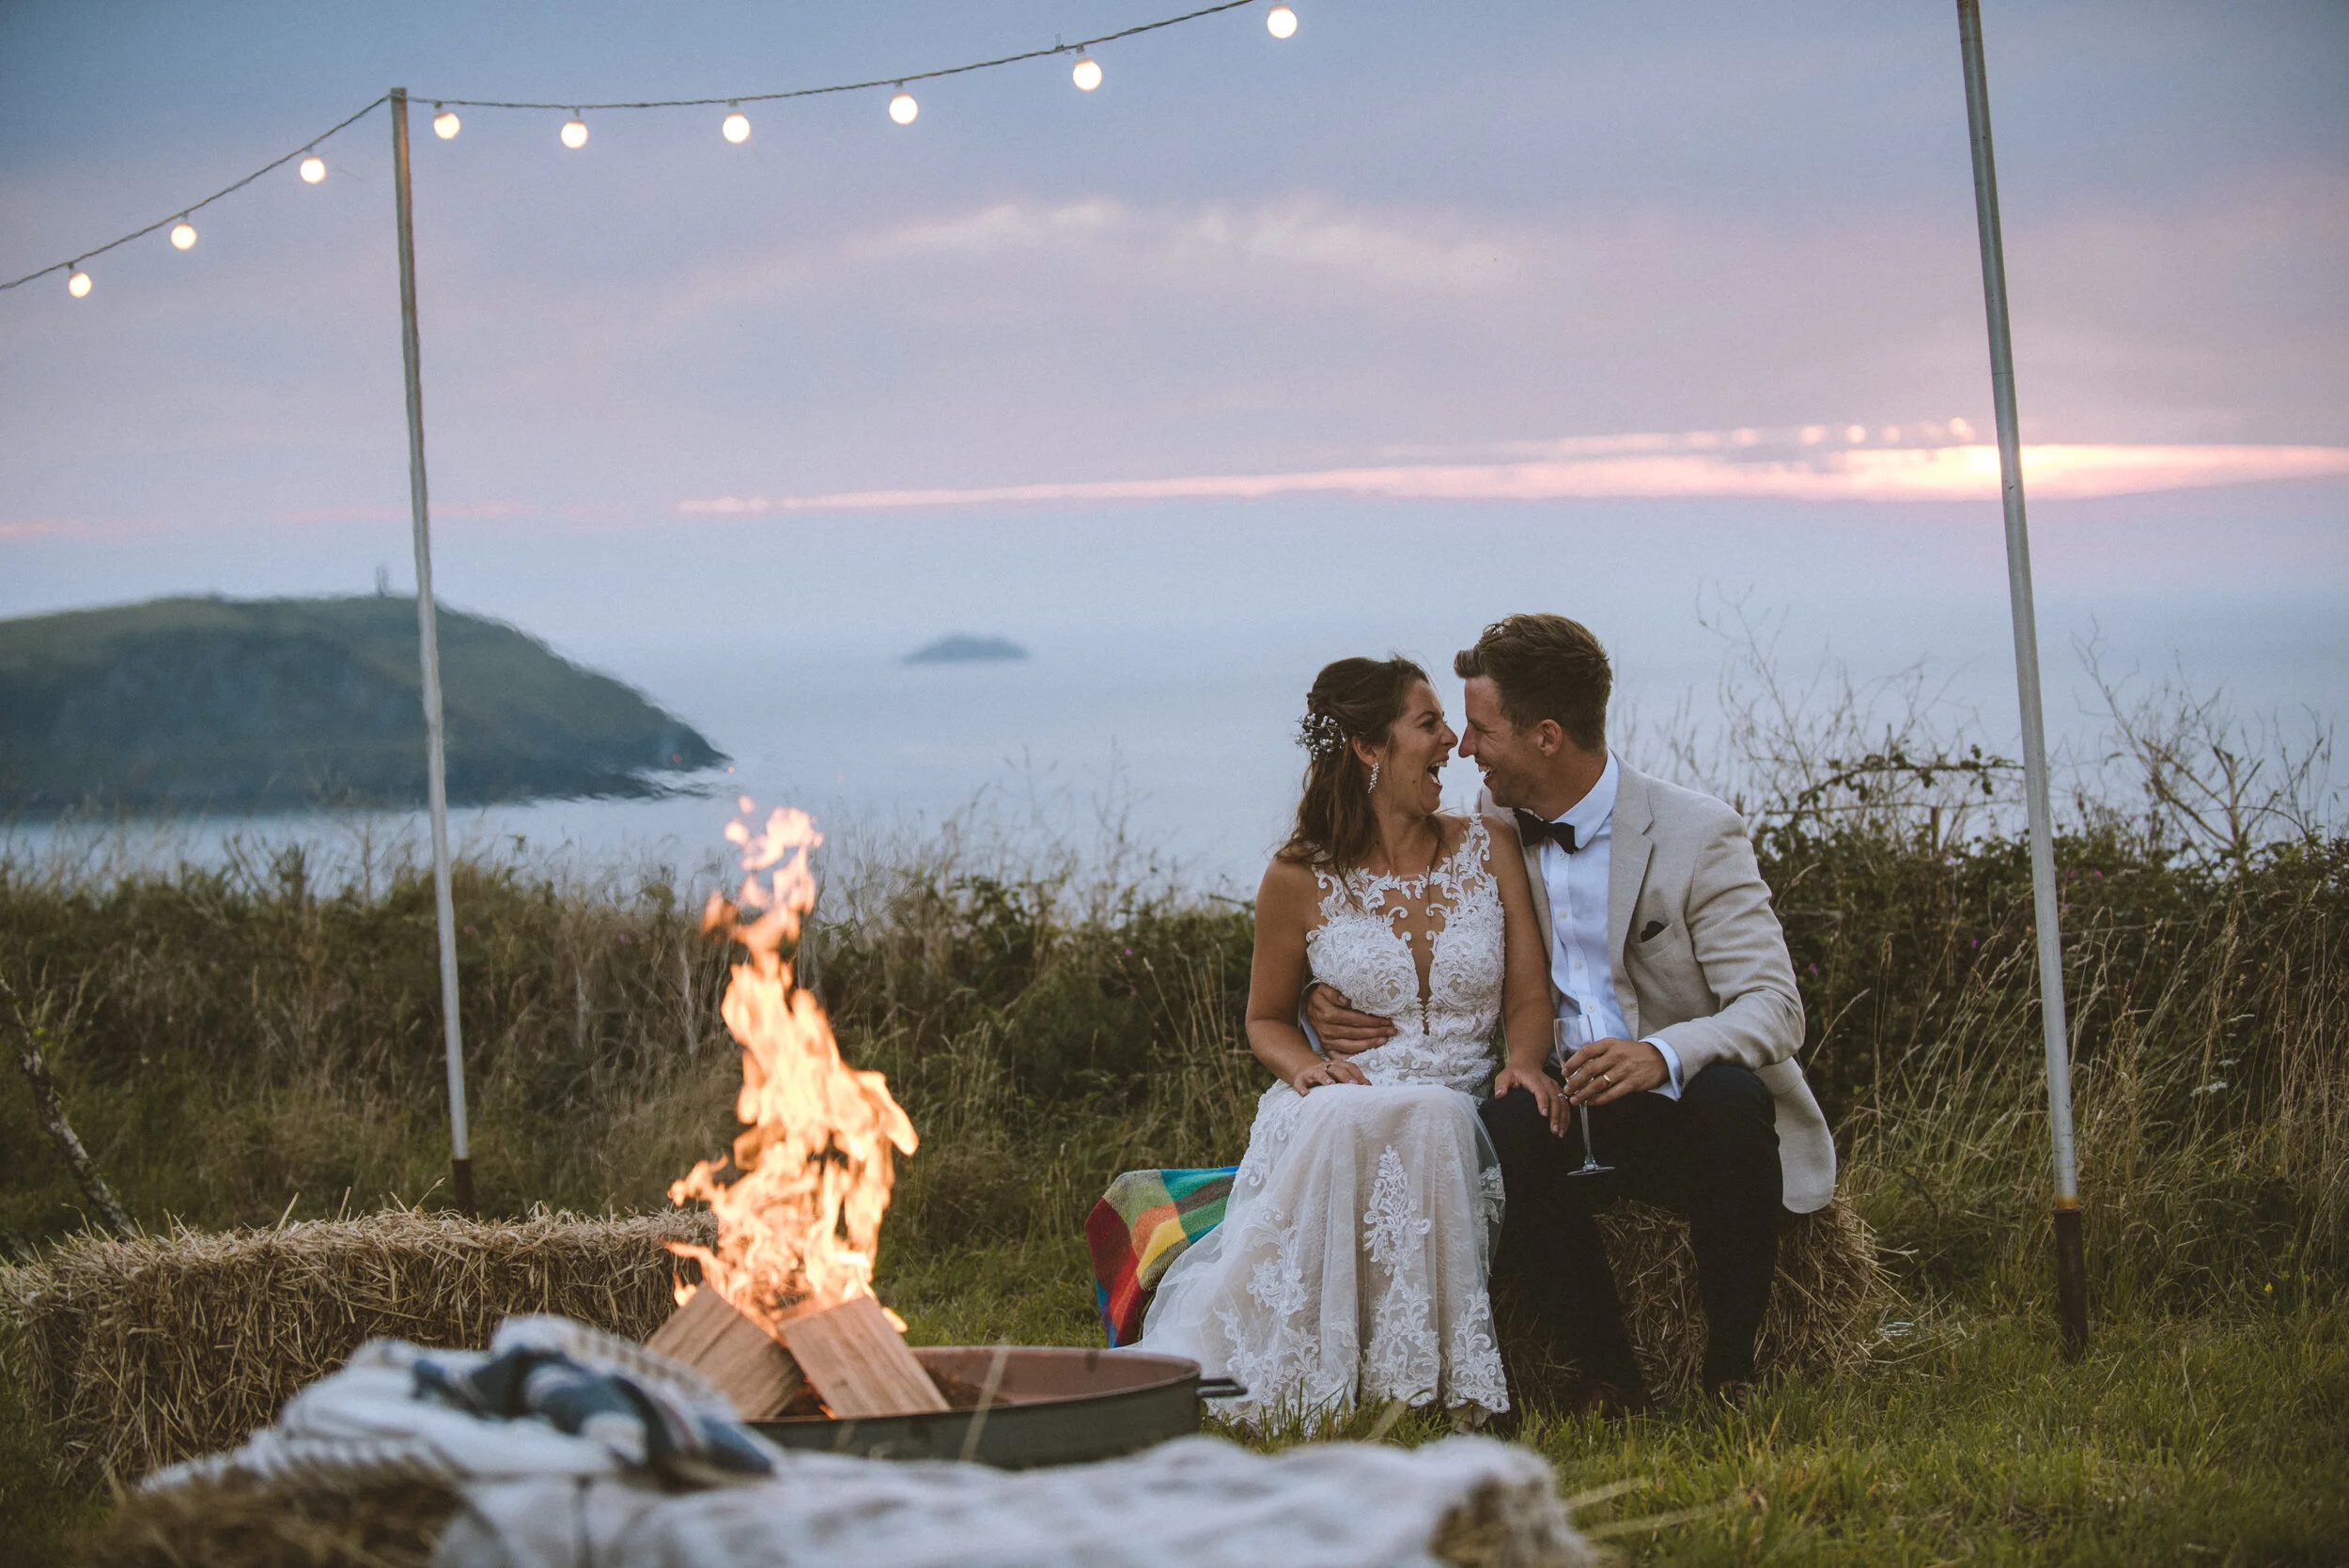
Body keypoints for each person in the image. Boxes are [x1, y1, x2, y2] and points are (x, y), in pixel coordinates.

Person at [1308, 614, 1837, 1413]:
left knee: (1735, 1101)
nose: (1464, 747)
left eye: (1482, 729)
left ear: (1547, 736)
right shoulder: (1482, 836)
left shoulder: (1698, 833)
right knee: (1509, 1121)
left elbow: (1774, 1008)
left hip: (1672, 1109)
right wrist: (1321, 999)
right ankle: (1608, 1375)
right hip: (1558, 1108)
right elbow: (1368, 895)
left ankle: (1732, 1371)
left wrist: (1659, 1054)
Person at [1125, 655, 1563, 1425]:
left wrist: (1523, 1061)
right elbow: (1265, 1018)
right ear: (1369, 747)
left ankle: (1424, 1379)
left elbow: (1529, 993)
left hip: (1457, 1097)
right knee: (1345, 1115)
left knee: (1432, 1115)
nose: (1451, 741)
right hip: (1341, 1095)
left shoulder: (1488, 847)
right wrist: (1308, 1067)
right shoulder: (1298, 876)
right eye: (1428, 724)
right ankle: (1313, 1369)